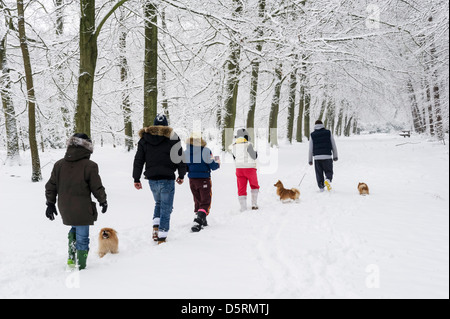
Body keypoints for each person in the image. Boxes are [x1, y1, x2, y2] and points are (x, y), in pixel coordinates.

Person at [45, 133, 108, 270]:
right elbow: (96, 187)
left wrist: (50, 203)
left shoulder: (59, 165)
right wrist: (103, 200)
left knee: (74, 228)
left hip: (65, 206)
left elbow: (51, 185)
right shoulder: (90, 166)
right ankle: (81, 266)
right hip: (82, 208)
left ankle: (71, 259)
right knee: (82, 237)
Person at [133, 114, 186, 244]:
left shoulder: (144, 139)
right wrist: (181, 175)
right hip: (167, 178)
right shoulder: (172, 137)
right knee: (166, 207)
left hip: (152, 179)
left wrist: (136, 178)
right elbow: (179, 158)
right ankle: (162, 237)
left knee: (159, 204)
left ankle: (156, 229)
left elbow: (139, 160)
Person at [185, 132, 220, 232]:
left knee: (197, 199)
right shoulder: (206, 151)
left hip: (192, 180)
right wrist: (217, 161)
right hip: (204, 178)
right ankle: (198, 221)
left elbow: (185, 167)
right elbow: (213, 166)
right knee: (205, 201)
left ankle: (202, 219)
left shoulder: (186, 152)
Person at [230, 128, 260, 211]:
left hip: (239, 169)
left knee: (241, 187)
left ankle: (243, 207)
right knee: (254, 185)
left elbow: (234, 158)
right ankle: (254, 204)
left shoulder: (233, 146)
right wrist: (256, 152)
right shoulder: (248, 144)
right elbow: (254, 156)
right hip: (250, 168)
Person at [308, 120, 338, 192]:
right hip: (327, 156)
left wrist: (310, 160)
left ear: (315, 125)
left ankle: (321, 188)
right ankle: (328, 179)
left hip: (317, 158)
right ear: (322, 125)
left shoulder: (312, 134)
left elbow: (310, 148)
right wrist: (335, 156)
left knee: (319, 173)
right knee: (329, 171)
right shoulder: (328, 132)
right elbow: (333, 145)